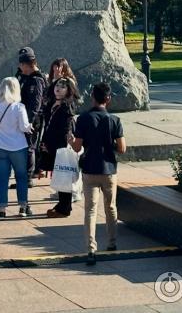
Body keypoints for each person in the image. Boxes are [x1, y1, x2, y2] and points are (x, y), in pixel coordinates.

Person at [69, 82, 126, 266]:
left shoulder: (83, 119)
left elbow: (77, 146)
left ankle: (91, 248)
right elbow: (122, 148)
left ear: (92, 97)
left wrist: (71, 141)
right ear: (108, 99)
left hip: (90, 170)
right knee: (110, 207)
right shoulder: (115, 120)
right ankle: (112, 242)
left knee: (90, 210)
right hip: (109, 170)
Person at [0, 77, 33, 218]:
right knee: (21, 177)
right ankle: (23, 207)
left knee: (2, 178)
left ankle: (1, 209)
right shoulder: (18, 107)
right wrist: (30, 127)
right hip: (18, 147)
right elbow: (24, 127)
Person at [40, 77, 78, 218]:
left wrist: (57, 144)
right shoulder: (52, 103)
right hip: (50, 142)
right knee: (59, 175)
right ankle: (63, 204)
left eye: (62, 87)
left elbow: (66, 128)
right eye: (57, 85)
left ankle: (64, 207)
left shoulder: (67, 106)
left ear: (68, 90)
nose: (58, 88)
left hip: (60, 145)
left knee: (64, 175)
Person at [16, 47, 47, 185]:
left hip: (32, 120)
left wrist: (27, 122)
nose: (19, 67)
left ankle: (27, 178)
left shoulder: (36, 80)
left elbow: (35, 106)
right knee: (21, 148)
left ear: (27, 64)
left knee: (29, 147)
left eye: (21, 64)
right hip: (21, 117)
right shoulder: (22, 76)